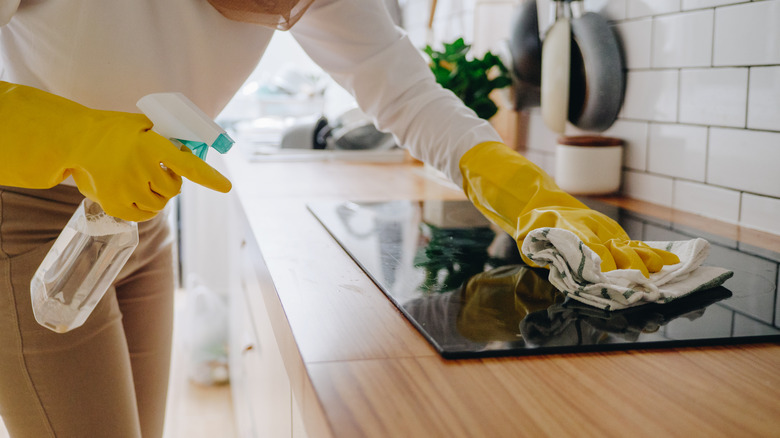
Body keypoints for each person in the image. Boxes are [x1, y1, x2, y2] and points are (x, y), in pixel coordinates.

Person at [0, 0, 678, 436]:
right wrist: (72, 138)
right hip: (24, 220)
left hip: (137, 220)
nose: (292, 11)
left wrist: (534, 195)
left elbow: (406, 93)